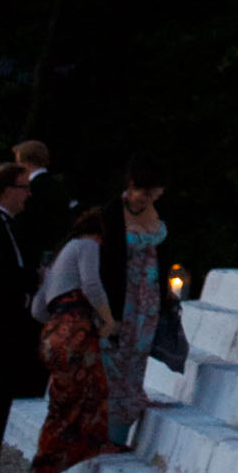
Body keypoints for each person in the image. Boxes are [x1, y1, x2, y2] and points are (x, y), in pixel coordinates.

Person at [26, 201, 114, 473]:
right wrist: (107, 319)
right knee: (75, 403)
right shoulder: (88, 246)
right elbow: (91, 283)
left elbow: (38, 309)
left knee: (64, 402)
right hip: (74, 332)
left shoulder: (62, 255)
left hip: (52, 333)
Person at [99, 171, 170, 452]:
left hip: (147, 297)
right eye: (145, 193)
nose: (148, 200)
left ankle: (119, 434)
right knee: (113, 361)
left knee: (136, 358)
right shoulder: (112, 212)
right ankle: (107, 434)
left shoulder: (156, 212)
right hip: (121, 298)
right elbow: (106, 260)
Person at [0, 157, 45, 473]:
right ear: (8, 189)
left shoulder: (5, 225)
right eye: (24, 188)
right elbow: (3, 274)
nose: (28, 195)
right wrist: (33, 279)